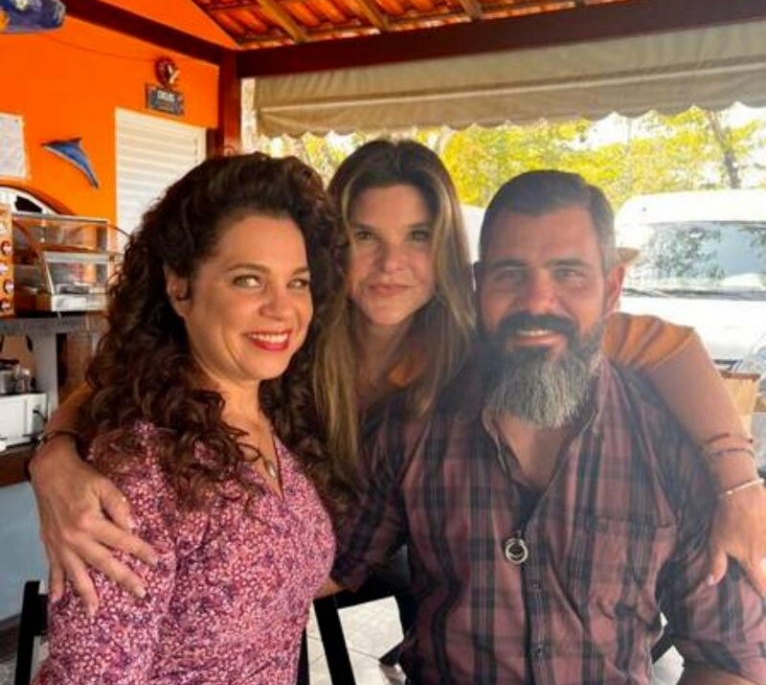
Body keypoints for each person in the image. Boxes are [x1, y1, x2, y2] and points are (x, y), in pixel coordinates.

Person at [27, 142, 766, 610]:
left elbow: (671, 346)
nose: (392, 264)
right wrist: (54, 459)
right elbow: (123, 382)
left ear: (445, 247)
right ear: (330, 245)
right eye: (364, 237)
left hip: (401, 555)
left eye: (418, 236)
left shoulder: (485, 333)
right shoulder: (289, 334)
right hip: (280, 564)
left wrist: (739, 484)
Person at [332, 170, 766, 685]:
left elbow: (731, 654)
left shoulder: (673, 442)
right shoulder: (413, 423)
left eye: (568, 273)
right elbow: (333, 564)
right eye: (510, 274)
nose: (538, 302)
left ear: (612, 287)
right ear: (479, 289)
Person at [0, 153, 356, 685]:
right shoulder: (141, 469)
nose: (282, 309)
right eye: (247, 280)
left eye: (297, 284)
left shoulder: (273, 421)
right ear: (180, 286)